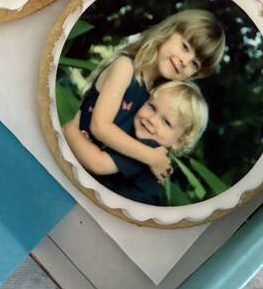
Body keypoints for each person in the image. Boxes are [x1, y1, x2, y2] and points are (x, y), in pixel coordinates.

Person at [62, 9, 225, 182]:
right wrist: (151, 157)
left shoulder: (157, 96)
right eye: (185, 47)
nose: (185, 61)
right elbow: (100, 127)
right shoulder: (125, 68)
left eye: (195, 64)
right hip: (71, 162)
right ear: (168, 32)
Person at [64, 81, 208, 206]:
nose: (152, 120)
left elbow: (97, 163)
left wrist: (71, 130)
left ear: (179, 141)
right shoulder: (132, 136)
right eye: (152, 107)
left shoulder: (151, 149)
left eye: (166, 122)